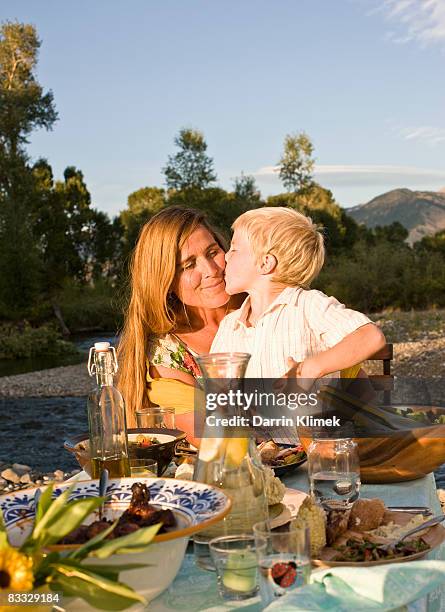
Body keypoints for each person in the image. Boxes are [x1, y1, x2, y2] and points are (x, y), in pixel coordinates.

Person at [211, 207, 386, 380]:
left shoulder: (308, 305)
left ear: (265, 263)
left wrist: (310, 368)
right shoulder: (230, 326)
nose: (225, 257)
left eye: (234, 250)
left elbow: (371, 337)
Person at [117, 206, 242, 442]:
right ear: (165, 281)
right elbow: (214, 436)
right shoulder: (166, 351)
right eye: (188, 265)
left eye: (213, 252)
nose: (211, 271)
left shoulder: (264, 306)